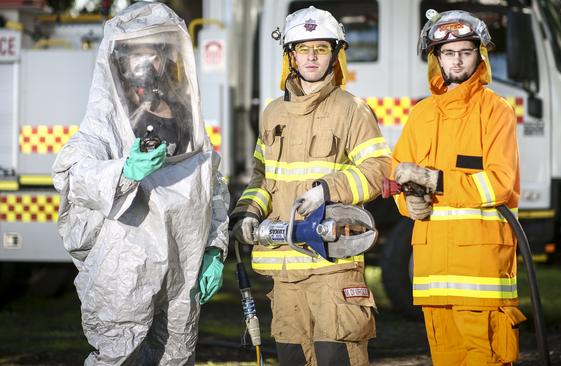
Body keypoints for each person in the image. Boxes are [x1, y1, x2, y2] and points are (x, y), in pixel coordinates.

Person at [51, 3, 229, 365]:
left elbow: (211, 184)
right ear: (120, 59)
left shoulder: (184, 116)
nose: (145, 64)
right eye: (137, 54)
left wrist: (214, 247)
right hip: (126, 269)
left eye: (154, 53)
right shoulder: (108, 120)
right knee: (118, 356)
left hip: (183, 264)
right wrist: (123, 171)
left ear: (166, 59)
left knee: (176, 355)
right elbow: (72, 172)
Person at [230, 6, 391, 366]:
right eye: (303, 49)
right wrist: (247, 213)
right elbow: (262, 176)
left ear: (335, 54)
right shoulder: (273, 113)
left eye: (321, 48)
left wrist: (328, 190)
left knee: (336, 356)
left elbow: (379, 169)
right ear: (291, 56)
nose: (312, 57)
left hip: (332, 265)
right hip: (284, 272)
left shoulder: (353, 110)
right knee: (291, 359)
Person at [391, 9, 527, 366]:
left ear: (479, 56)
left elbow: (498, 184)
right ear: (436, 58)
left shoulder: (496, 111)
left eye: (465, 51)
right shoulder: (421, 114)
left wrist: (433, 181)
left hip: (480, 271)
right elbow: (397, 174)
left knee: (485, 357)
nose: (457, 59)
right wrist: (409, 204)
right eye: (448, 53)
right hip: (432, 272)